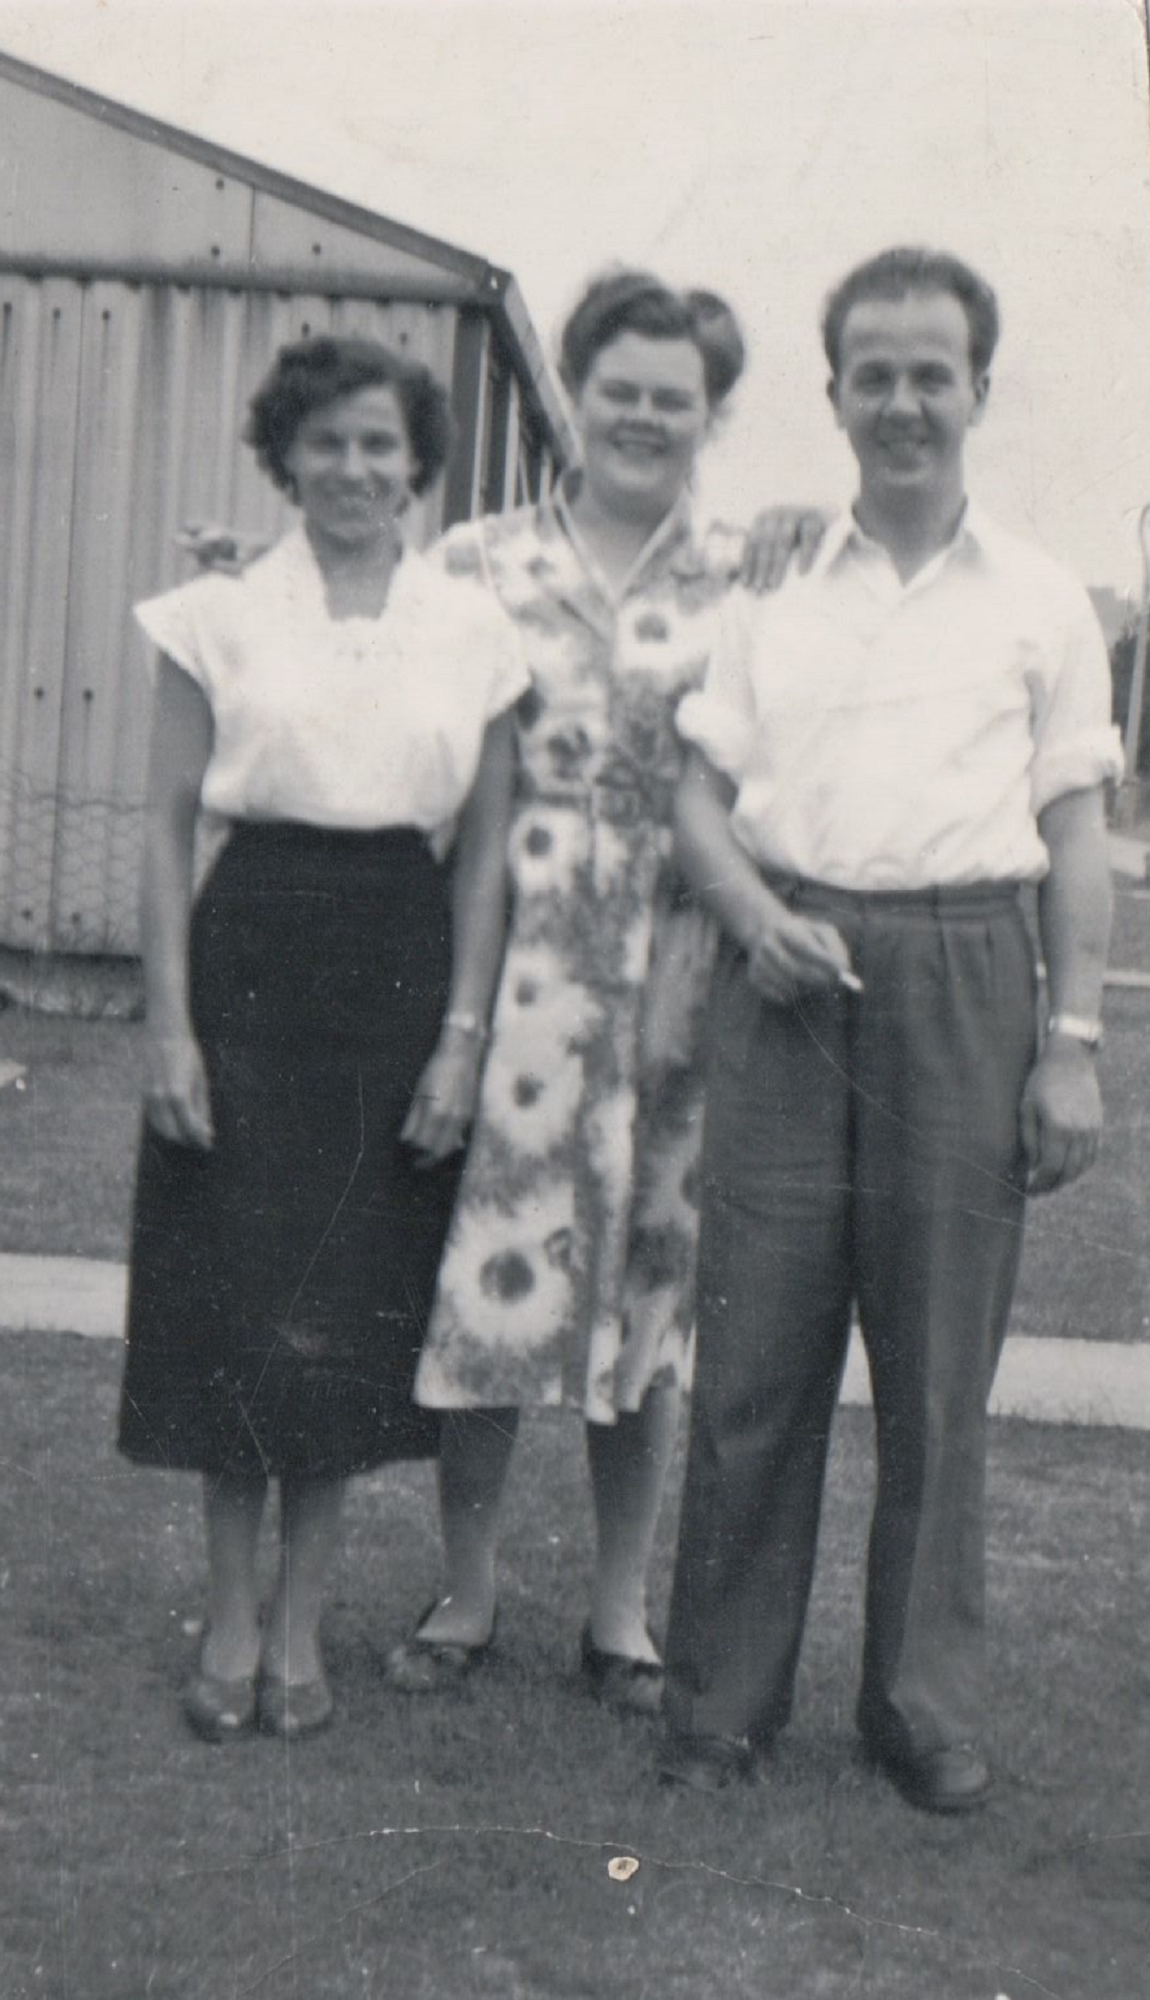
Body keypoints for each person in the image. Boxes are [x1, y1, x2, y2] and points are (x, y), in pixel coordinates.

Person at [657, 247, 1121, 1810]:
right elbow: (696, 797)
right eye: (877, 374)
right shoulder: (771, 586)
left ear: (979, 390)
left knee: (937, 1379)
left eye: (935, 372)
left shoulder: (1049, 599)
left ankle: (920, 1706)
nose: (906, 401)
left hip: (969, 981)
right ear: (836, 395)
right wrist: (746, 914)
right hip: (790, 976)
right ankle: (720, 1700)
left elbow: (1074, 836)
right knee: (756, 1360)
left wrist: (1074, 1045)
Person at [384, 271, 816, 1713]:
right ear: (575, 391)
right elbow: (392, 721)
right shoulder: (476, 563)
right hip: (518, 976)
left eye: (674, 397)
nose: (643, 416)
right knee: (492, 1283)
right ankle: (470, 1587)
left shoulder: (758, 570)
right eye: (619, 387)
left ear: (713, 414)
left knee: (653, 1302)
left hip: (689, 986)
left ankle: (623, 1615)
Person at [116, 336, 528, 1742]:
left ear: (419, 467)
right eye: (328, 443)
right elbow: (171, 830)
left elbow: (484, 859)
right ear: (284, 458)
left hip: (399, 960)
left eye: (382, 445)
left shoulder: (476, 632)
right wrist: (167, 1025)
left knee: (347, 1303)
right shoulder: (212, 619)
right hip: (251, 956)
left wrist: (463, 1036)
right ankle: (231, 1616)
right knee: (235, 1296)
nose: (356, 468)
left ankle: (304, 1628)